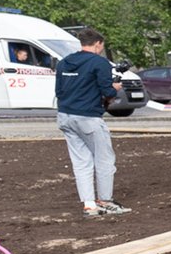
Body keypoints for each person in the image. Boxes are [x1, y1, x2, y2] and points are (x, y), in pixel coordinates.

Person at [53, 28, 128, 219]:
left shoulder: (64, 63)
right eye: (102, 47)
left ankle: (89, 205)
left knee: (81, 162)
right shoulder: (99, 62)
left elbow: (60, 91)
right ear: (97, 44)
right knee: (104, 159)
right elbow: (108, 92)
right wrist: (115, 87)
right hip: (88, 118)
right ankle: (105, 201)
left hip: (65, 116)